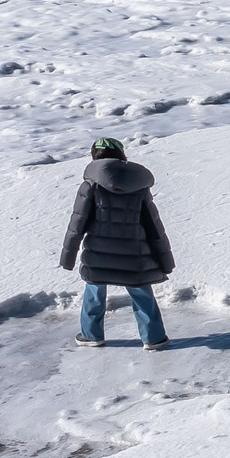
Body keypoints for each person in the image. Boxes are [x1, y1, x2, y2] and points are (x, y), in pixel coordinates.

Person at [60, 138, 174, 349]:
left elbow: (77, 222)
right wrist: (165, 260)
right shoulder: (139, 186)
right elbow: (153, 225)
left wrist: (68, 256)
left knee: (94, 291)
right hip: (135, 254)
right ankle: (154, 338)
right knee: (141, 292)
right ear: (122, 155)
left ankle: (92, 335)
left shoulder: (90, 185)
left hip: (98, 254)